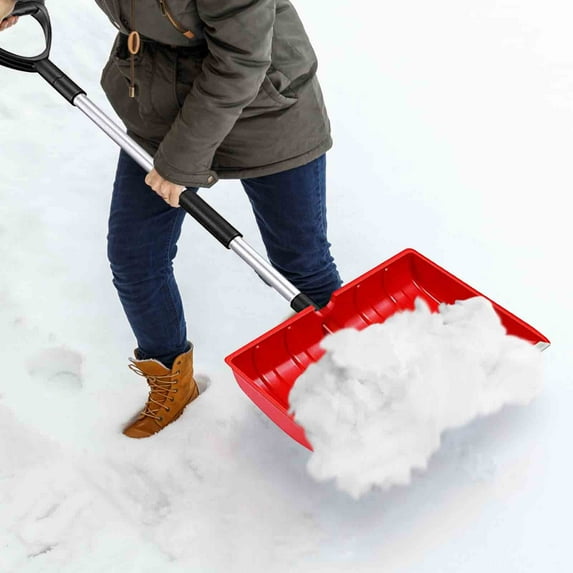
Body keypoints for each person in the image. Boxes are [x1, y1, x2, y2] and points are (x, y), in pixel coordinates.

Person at [1, 0, 341, 438]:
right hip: (161, 101)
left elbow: (241, 60)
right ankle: (172, 382)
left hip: (266, 108)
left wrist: (179, 163)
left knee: (301, 265)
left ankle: (352, 377)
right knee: (135, 258)